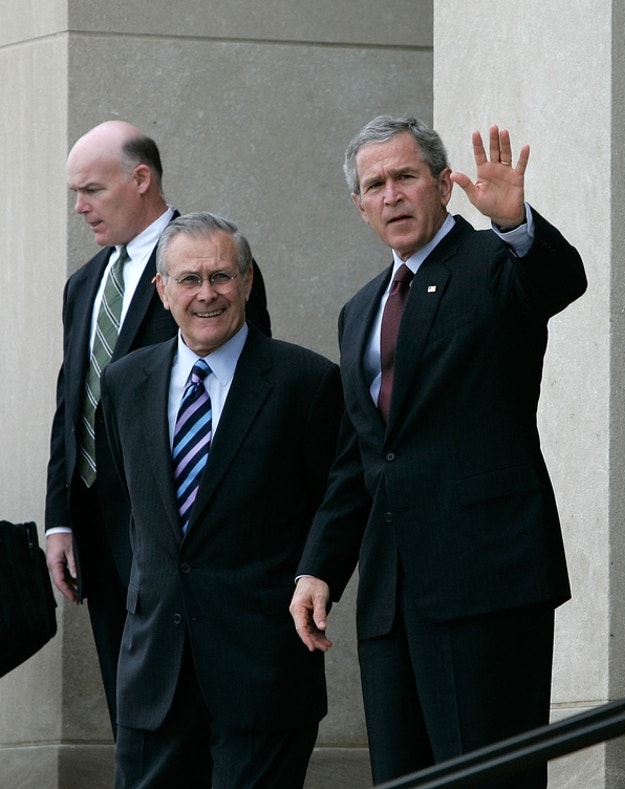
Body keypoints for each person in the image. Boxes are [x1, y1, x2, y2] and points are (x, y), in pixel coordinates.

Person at [288, 116, 586, 786]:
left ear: (444, 184)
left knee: (488, 777)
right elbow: (361, 459)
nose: (391, 194)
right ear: (358, 205)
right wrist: (319, 568)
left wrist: (517, 226)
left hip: (486, 576)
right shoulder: (359, 309)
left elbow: (559, 282)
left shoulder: (491, 264)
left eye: (406, 176)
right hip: (393, 595)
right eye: (375, 185)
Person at [100, 212, 342, 787]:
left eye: (222, 276)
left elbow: (337, 504)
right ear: (161, 290)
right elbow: (125, 510)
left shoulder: (306, 383)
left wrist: (318, 575)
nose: (206, 294)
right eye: (188, 279)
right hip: (153, 671)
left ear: (249, 281)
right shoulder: (123, 382)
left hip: (262, 672)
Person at [45, 120, 271, 734]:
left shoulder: (211, 263)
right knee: (134, 718)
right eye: (75, 192)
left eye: (91, 189)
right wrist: (60, 518)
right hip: (95, 533)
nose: (80, 207)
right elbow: (73, 402)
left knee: (196, 712)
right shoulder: (85, 283)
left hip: (180, 536)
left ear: (140, 178)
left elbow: (251, 403)